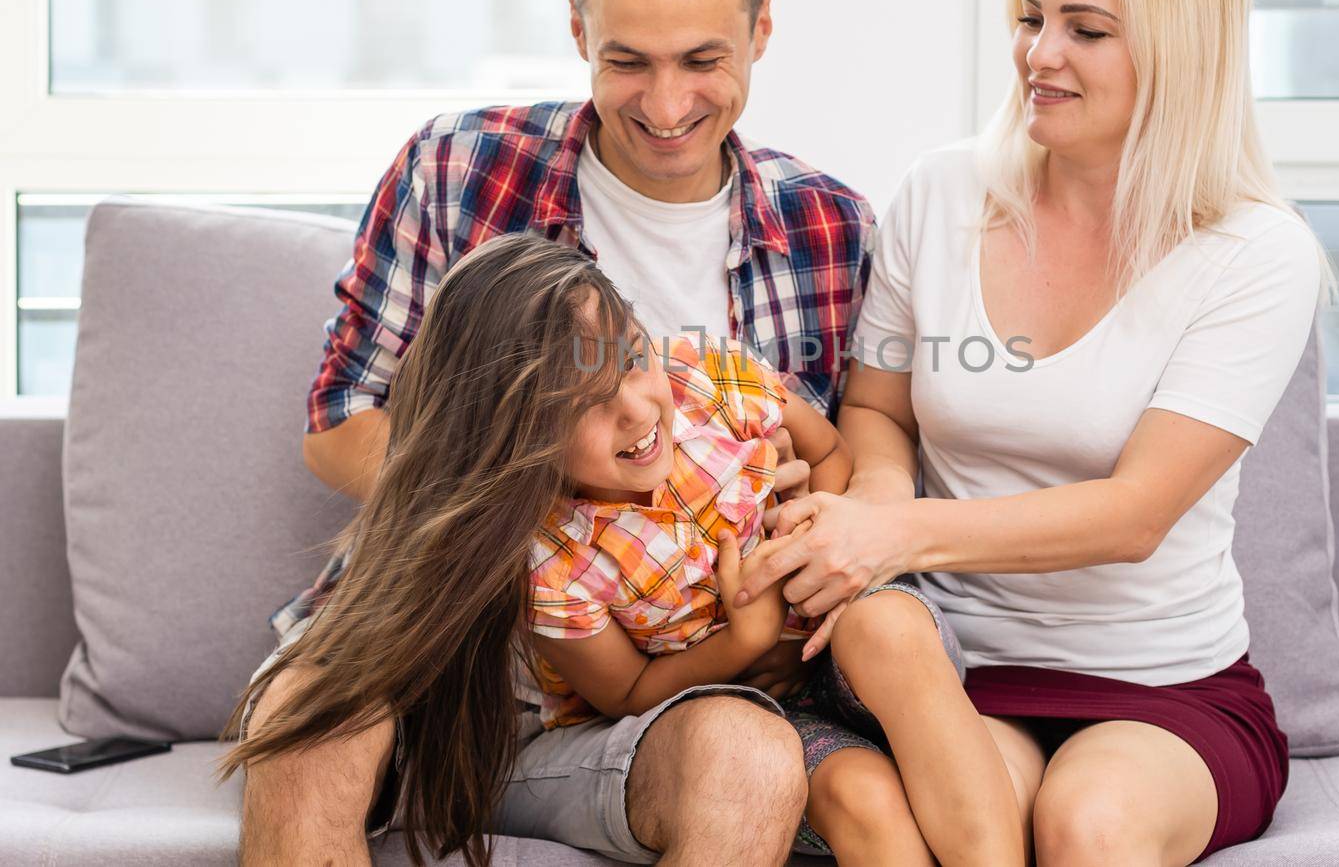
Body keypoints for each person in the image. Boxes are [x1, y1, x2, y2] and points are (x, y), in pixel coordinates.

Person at [230, 0, 876, 867]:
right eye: (627, 61)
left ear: (762, 27)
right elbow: (341, 423)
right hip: (435, 633)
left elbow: (848, 455)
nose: (665, 105)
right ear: (578, 29)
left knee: (746, 760)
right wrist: (543, 499)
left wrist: (796, 518)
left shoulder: (828, 226)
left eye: (703, 58)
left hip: (665, 681)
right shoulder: (456, 169)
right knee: (312, 725)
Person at [742, 0, 1331, 865]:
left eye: (1085, 31)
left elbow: (1133, 514)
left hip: (1162, 685)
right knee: (954, 831)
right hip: (961, 667)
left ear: (1179, 50)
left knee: (1087, 829)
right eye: (1029, 19)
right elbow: (877, 408)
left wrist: (890, 532)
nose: (1038, 56)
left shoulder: (1254, 253)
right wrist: (871, 507)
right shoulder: (940, 193)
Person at [222, 236, 1018, 867]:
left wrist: (812, 520)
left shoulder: (711, 372)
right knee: (319, 719)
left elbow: (833, 454)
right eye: (581, 406)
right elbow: (624, 686)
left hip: (774, 663)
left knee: (814, 700)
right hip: (573, 680)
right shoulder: (544, 545)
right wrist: (737, 640)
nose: (638, 410)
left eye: (634, 360)